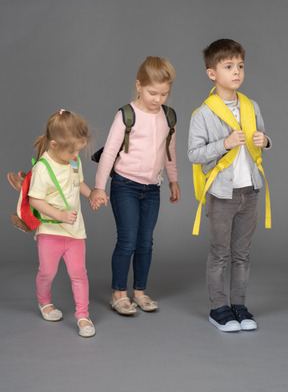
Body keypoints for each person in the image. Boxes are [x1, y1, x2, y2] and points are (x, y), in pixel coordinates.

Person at [188, 39, 271, 332]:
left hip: (251, 190)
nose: (236, 72)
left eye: (240, 66)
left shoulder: (251, 106)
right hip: (222, 194)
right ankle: (219, 308)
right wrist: (223, 144)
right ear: (212, 73)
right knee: (219, 253)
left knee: (243, 254)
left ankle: (240, 306)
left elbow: (261, 137)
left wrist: (265, 140)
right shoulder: (203, 114)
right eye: (228, 66)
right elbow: (194, 154)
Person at [89, 56, 180, 315]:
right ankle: (119, 293)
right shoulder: (126, 115)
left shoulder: (169, 117)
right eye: (153, 92)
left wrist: (173, 180)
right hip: (125, 185)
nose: (158, 99)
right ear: (139, 85)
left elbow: (169, 152)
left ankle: (139, 292)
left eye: (164, 93)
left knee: (146, 242)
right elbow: (109, 153)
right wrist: (98, 187)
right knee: (127, 241)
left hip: (152, 188)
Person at [28, 110, 97, 337]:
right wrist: (59, 215)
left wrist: (92, 195)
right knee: (47, 272)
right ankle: (44, 302)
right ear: (55, 144)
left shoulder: (73, 160)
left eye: (79, 149)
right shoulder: (42, 168)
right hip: (50, 231)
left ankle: (83, 315)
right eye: (73, 150)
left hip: (75, 231)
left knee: (79, 273)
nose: (77, 154)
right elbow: (35, 200)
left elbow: (79, 183)